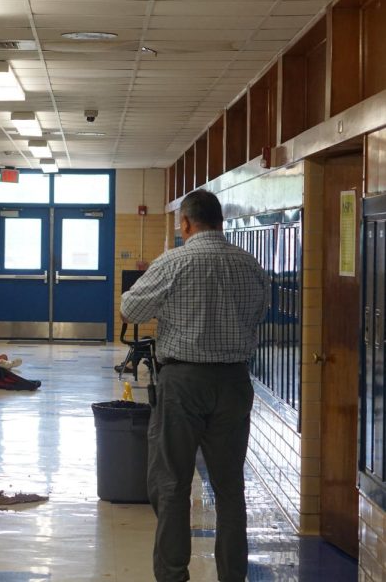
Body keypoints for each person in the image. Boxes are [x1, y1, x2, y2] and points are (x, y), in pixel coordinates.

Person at [119, 189, 269, 582]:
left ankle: (173, 575)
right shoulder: (249, 263)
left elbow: (131, 309)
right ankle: (233, 576)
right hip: (234, 381)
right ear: (220, 221)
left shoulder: (174, 261)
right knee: (230, 488)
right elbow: (258, 315)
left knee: (171, 483)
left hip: (183, 383)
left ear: (185, 223)